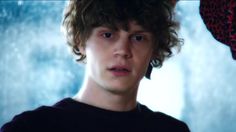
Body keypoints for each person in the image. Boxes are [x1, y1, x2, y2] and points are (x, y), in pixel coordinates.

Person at [1, 0, 190, 131]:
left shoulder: (171, 130)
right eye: (108, 34)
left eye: (138, 38)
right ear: (80, 41)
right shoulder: (31, 128)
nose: (123, 50)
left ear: (154, 49)